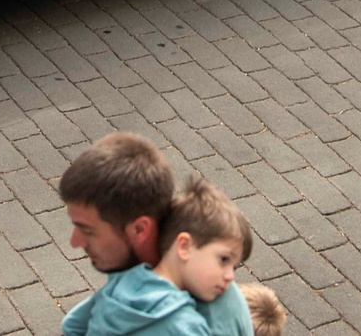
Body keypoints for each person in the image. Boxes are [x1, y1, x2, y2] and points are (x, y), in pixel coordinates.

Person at [57, 133, 255, 336]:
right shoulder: (132, 272)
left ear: (139, 229)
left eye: (88, 230)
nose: (75, 242)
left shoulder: (212, 314)